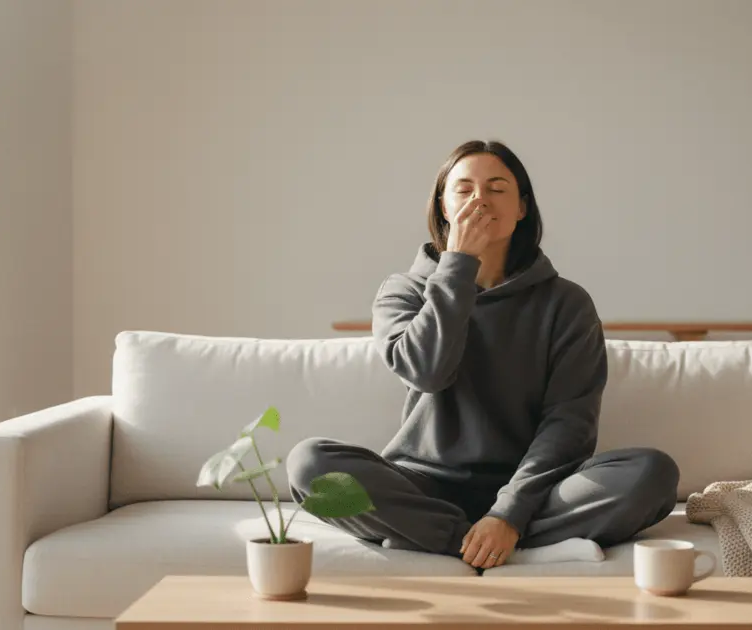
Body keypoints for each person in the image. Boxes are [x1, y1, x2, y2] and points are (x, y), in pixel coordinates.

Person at [287, 140, 678, 570]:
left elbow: (570, 424)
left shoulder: (566, 303)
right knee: (311, 466)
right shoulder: (403, 291)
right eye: (464, 189)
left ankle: (454, 537)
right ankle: (504, 547)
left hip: (534, 488)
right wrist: (457, 265)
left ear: (522, 208)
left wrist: (508, 512)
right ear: (442, 208)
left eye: (496, 188)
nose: (479, 200)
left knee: (652, 473)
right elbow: (427, 373)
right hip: (422, 484)